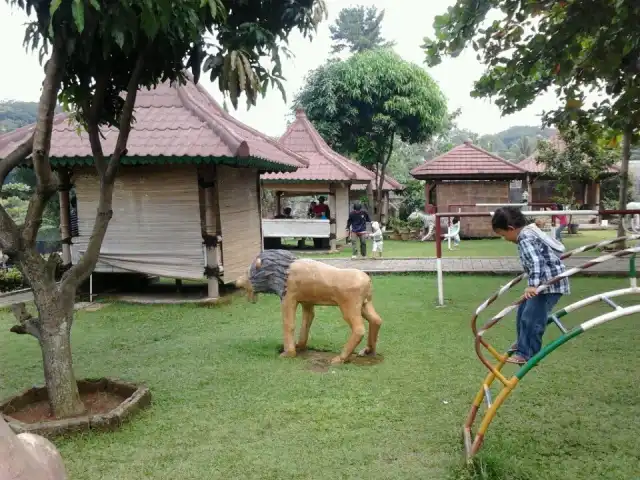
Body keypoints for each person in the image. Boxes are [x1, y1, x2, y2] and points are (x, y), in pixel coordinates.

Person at [491, 206, 570, 365]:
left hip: (548, 286)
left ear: (511, 229)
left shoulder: (525, 238)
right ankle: (522, 345)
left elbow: (536, 262)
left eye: (502, 234)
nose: (504, 238)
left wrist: (532, 286)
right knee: (522, 313)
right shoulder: (529, 232)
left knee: (532, 319)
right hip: (544, 283)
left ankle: (527, 354)